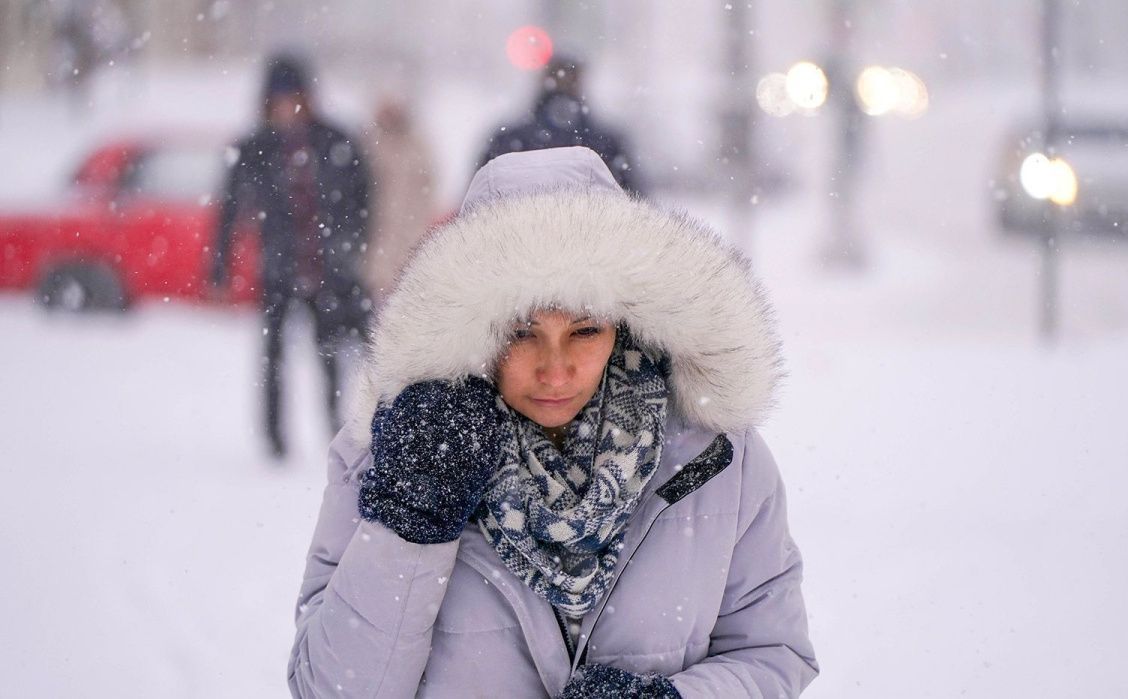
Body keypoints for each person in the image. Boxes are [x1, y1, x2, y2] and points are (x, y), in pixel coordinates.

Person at [287, 147, 818, 697]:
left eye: (585, 331)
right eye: (522, 333)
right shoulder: (393, 455)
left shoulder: (716, 459)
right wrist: (410, 524)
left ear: (625, 321)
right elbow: (330, 689)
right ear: (474, 328)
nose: (555, 369)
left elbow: (772, 652)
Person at [209, 53, 371, 459]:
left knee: (330, 351)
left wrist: (351, 247)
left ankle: (335, 427)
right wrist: (219, 265)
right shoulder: (254, 146)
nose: (287, 107)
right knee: (273, 355)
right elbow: (230, 209)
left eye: (294, 97)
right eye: (278, 99)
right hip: (279, 268)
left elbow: (362, 198)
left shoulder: (335, 140)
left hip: (327, 269)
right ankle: (274, 437)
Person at [477, 54, 643, 194]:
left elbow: (477, 200)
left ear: (542, 80)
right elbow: (635, 203)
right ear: (581, 82)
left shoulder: (507, 139)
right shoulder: (606, 141)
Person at [362, 95, 436, 303]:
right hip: (378, 237)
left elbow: (428, 187)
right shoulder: (369, 145)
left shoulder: (416, 145)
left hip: (411, 235)